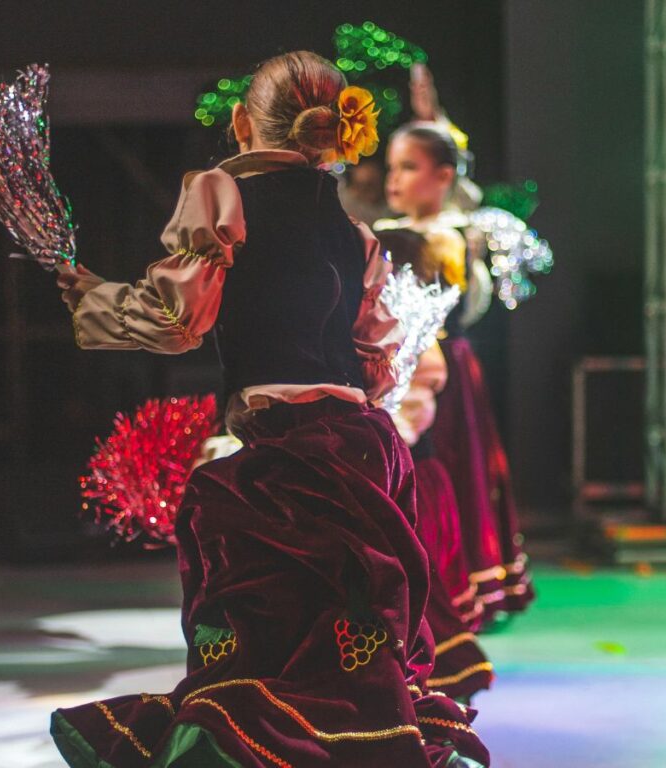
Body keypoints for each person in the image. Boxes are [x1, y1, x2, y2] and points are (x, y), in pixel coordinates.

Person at [50, 51, 489, 768]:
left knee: (259, 634)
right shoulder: (355, 233)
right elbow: (378, 359)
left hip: (280, 455)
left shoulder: (220, 193)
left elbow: (176, 318)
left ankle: (252, 742)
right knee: (346, 636)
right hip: (364, 452)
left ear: (242, 123)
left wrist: (92, 300)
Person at [376, 114, 534, 630]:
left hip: (440, 372)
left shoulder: (451, 237)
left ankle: (457, 588)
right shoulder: (383, 234)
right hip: (394, 370)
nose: (394, 180)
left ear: (444, 176)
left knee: (448, 471)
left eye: (408, 167)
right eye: (391, 168)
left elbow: (455, 310)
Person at [377, 228, 493, 702]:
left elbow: (412, 407)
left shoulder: (414, 338)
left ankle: (431, 686)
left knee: (420, 595)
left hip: (414, 482)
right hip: (413, 479)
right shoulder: (395, 333)